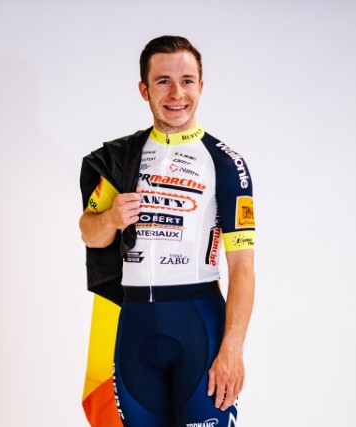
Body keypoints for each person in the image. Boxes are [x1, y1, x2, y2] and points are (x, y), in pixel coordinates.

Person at [79, 35, 255, 427]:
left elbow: (243, 266)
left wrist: (233, 348)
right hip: (134, 325)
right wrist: (110, 219)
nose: (177, 94)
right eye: (163, 81)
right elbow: (90, 234)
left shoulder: (225, 164)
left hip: (199, 325)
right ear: (144, 89)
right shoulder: (119, 159)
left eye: (187, 81)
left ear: (201, 86)